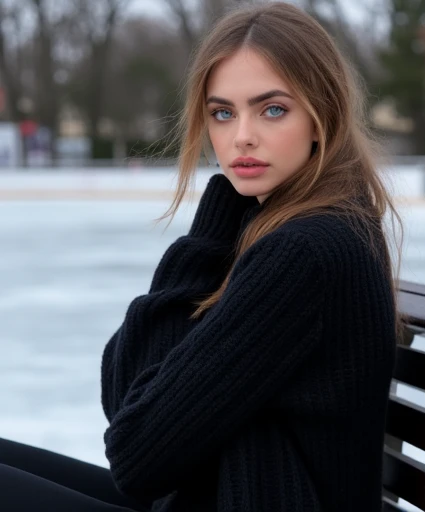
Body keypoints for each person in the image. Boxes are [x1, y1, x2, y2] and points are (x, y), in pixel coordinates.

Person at [0, 2, 402, 511]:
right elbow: (128, 400)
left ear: (323, 117)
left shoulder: (305, 252)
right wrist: (220, 223)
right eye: (222, 112)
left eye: (272, 109)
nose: (242, 137)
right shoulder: (302, 228)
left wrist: (206, 241)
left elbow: (137, 455)